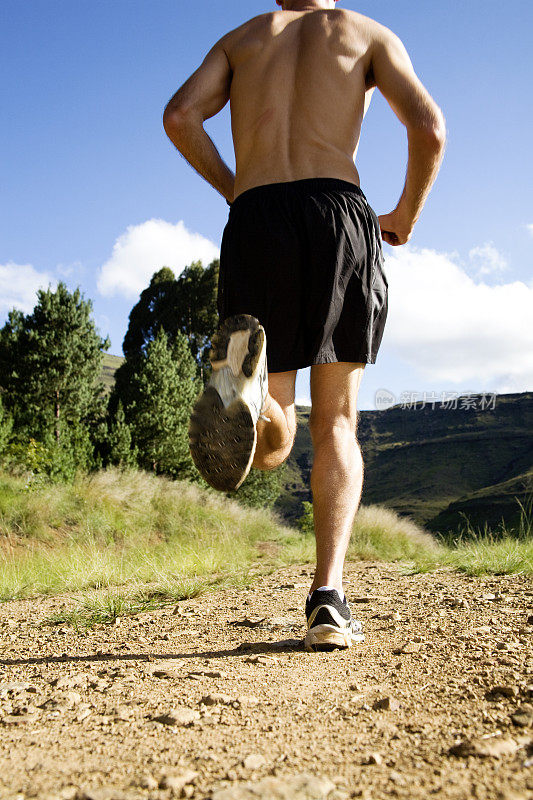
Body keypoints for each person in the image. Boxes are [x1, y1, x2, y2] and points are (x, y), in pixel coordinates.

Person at [163, 0, 446, 652]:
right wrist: (404, 213)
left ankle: (255, 400)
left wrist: (236, 188)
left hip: (256, 221)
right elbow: (427, 127)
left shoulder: (240, 40)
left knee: (271, 450)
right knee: (337, 421)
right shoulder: (364, 33)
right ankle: (326, 600)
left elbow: (180, 116)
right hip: (337, 216)